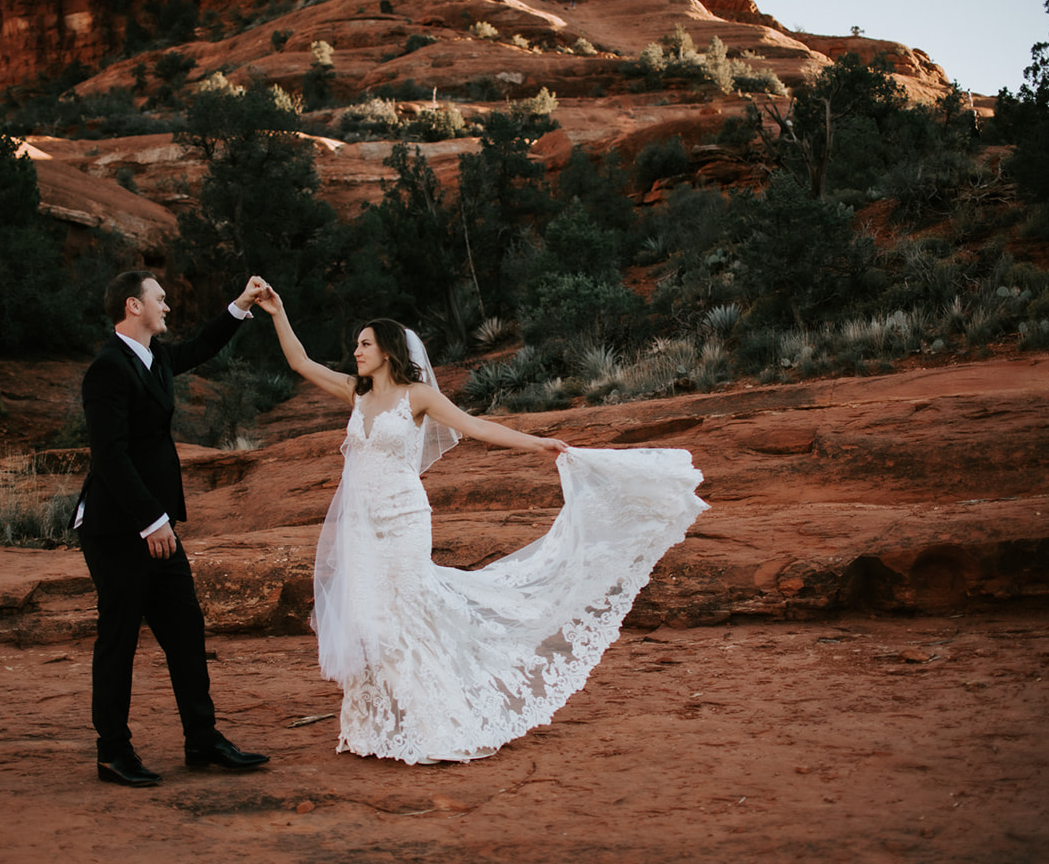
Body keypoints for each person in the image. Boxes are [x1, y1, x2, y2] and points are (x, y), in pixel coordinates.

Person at [255, 286, 709, 765]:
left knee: (410, 609)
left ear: (388, 350)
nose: (356, 352)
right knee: (370, 617)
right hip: (362, 526)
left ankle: (436, 723)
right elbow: (302, 363)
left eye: (365, 344)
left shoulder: (419, 396)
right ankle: (379, 726)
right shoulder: (356, 392)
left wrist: (539, 444)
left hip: (404, 519)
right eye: (357, 345)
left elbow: (478, 428)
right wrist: (279, 312)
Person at [72, 270, 272, 787]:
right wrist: (151, 520)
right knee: (118, 639)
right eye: (160, 299)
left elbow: (203, 345)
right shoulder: (106, 370)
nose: (168, 306)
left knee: (185, 630)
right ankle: (113, 752)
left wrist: (243, 303)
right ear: (133, 306)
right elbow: (110, 457)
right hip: (118, 530)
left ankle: (202, 740)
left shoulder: (155, 357)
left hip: (156, 527)